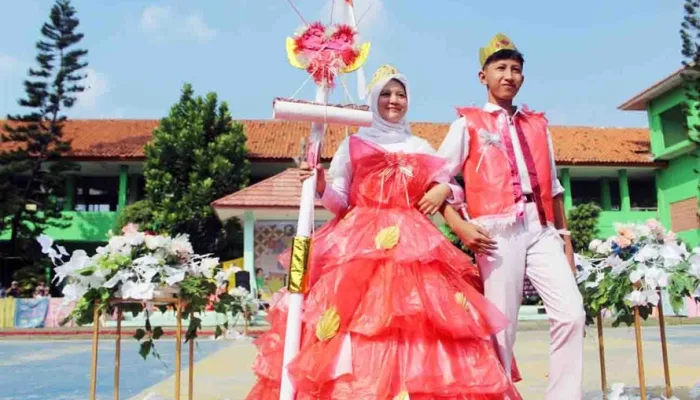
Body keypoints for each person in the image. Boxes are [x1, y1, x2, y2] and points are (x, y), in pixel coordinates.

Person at [246, 65, 521, 399]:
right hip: (359, 244)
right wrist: (319, 185)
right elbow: (339, 201)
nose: (394, 101)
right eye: (386, 94)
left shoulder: (420, 145)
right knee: (360, 326)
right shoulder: (353, 144)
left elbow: (449, 186)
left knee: (419, 323)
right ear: (373, 99)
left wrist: (446, 192)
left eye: (401, 94)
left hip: (416, 244)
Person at [437, 33, 585, 399]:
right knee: (502, 326)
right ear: (482, 76)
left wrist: (566, 241)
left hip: (541, 227)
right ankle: (497, 395)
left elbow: (554, 189)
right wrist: (460, 226)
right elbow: (435, 179)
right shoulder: (466, 123)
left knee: (572, 314)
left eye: (516, 69)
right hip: (494, 230)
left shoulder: (538, 125)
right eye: (500, 68)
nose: (509, 75)